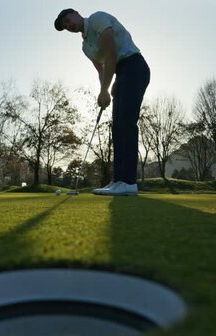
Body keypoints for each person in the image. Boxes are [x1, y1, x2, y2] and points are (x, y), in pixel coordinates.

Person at [55, 8, 150, 196]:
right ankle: (118, 180)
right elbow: (101, 70)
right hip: (120, 74)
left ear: (75, 13)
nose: (69, 26)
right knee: (117, 127)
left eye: (68, 20)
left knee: (127, 124)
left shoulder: (98, 19)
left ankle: (129, 182)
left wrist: (106, 89)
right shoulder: (85, 47)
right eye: (65, 27)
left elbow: (111, 53)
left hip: (134, 66)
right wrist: (103, 91)